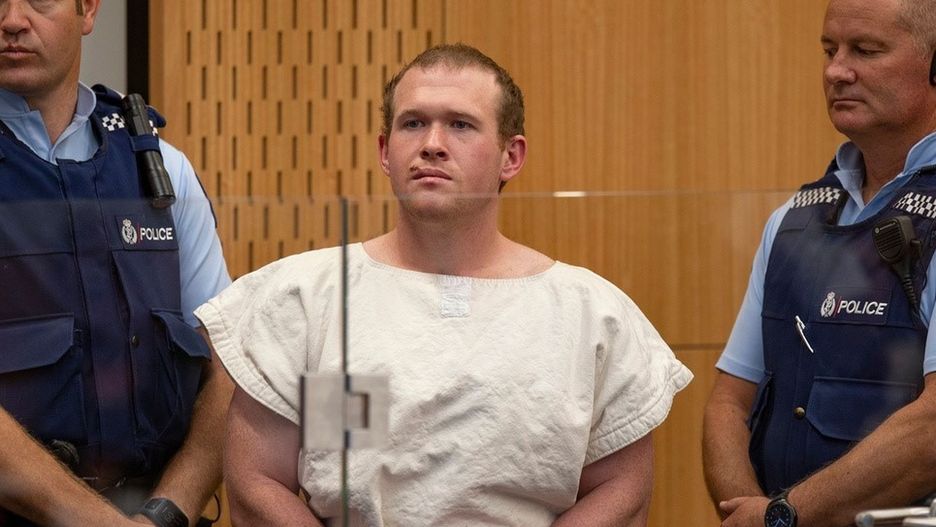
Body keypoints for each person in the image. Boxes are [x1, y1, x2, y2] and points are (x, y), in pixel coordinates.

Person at [195, 43, 692, 526]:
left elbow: (622, 492)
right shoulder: (305, 299)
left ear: (511, 156)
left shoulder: (591, 313)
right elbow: (257, 485)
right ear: (385, 151)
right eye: (413, 123)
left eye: (460, 124)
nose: (432, 143)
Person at [702, 0, 936, 525]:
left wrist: (782, 515)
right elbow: (729, 404)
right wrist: (751, 515)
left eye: (866, 50)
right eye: (830, 50)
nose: (836, 71)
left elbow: (932, 431)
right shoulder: (792, 220)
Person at [0, 1, 233, 525]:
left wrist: (166, 512)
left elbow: (228, 369)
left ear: (87, 10)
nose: (13, 19)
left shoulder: (161, 169)